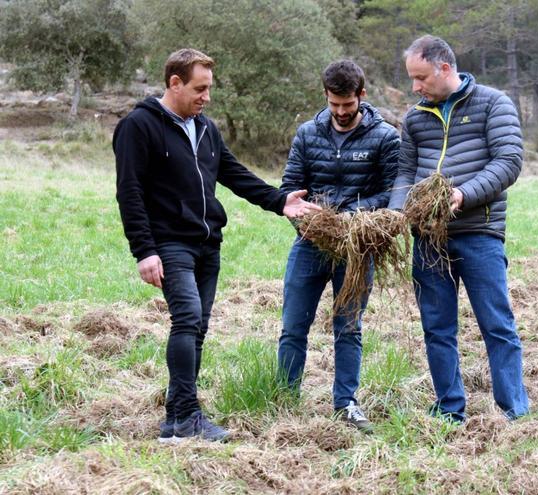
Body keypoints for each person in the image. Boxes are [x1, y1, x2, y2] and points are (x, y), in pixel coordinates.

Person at [114, 48, 310, 443]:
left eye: (209, 88)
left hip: (208, 244)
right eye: (199, 89)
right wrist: (144, 250)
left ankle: (176, 422)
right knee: (187, 319)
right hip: (169, 243)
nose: (207, 97)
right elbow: (129, 192)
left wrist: (279, 201)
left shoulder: (205, 127)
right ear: (175, 83)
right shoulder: (139, 126)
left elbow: (234, 174)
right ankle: (187, 416)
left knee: (197, 329)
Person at [388, 35, 529, 423]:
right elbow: (404, 173)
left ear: (445, 68)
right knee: (437, 327)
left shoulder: (493, 103)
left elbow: (508, 161)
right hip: (428, 238)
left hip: (478, 231)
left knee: (496, 324)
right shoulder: (416, 118)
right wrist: (395, 214)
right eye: (412, 79)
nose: (415, 87)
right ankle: (450, 409)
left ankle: (513, 410)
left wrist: (463, 195)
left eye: (421, 78)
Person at [278, 60, 399, 433]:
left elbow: (393, 192)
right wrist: (307, 221)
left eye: (348, 104)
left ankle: (346, 404)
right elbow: (290, 189)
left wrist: (352, 216)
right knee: (293, 326)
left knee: (348, 327)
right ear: (325, 96)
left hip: (357, 249)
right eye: (334, 104)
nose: (341, 112)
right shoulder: (307, 133)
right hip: (310, 244)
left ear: (362, 95)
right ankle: (284, 401)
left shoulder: (385, 137)